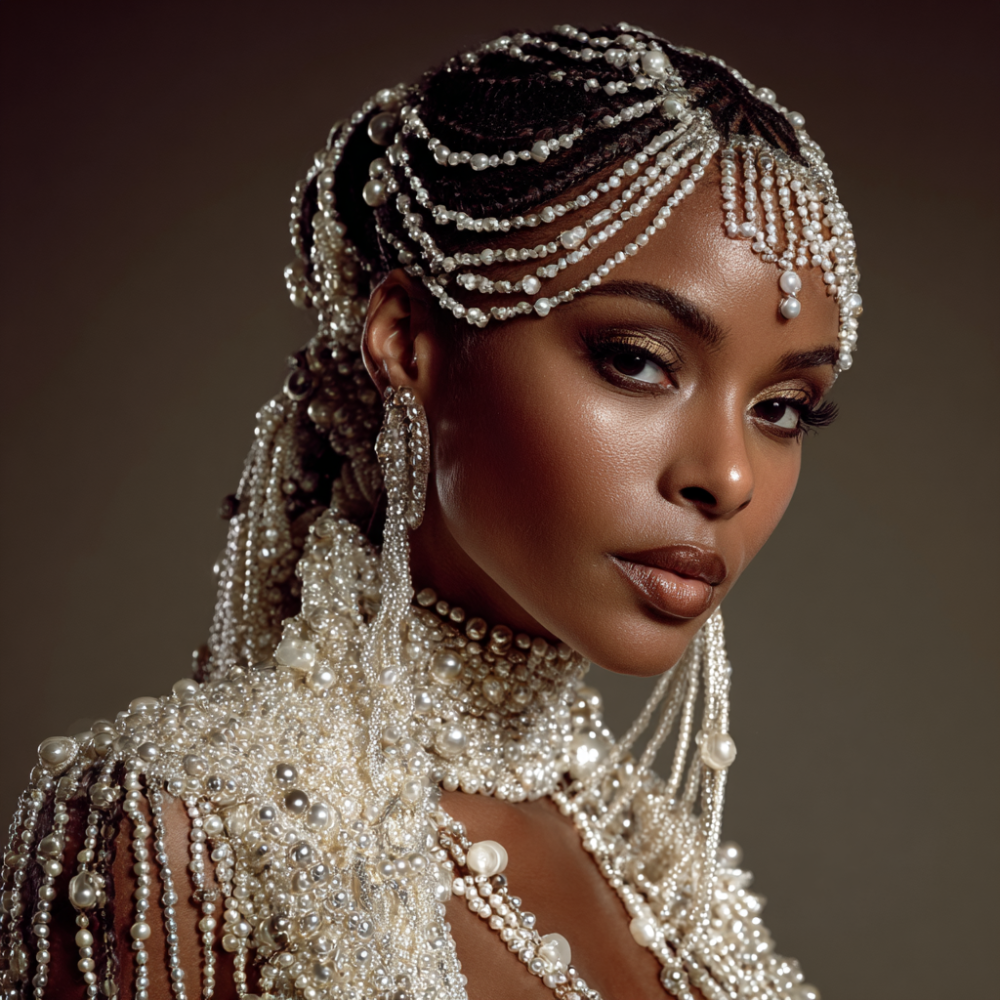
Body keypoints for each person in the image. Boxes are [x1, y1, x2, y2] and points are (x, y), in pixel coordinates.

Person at [0, 21, 858, 1000]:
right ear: (408, 343)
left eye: (781, 409)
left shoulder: (656, 863)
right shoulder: (180, 829)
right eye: (636, 360)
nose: (729, 475)